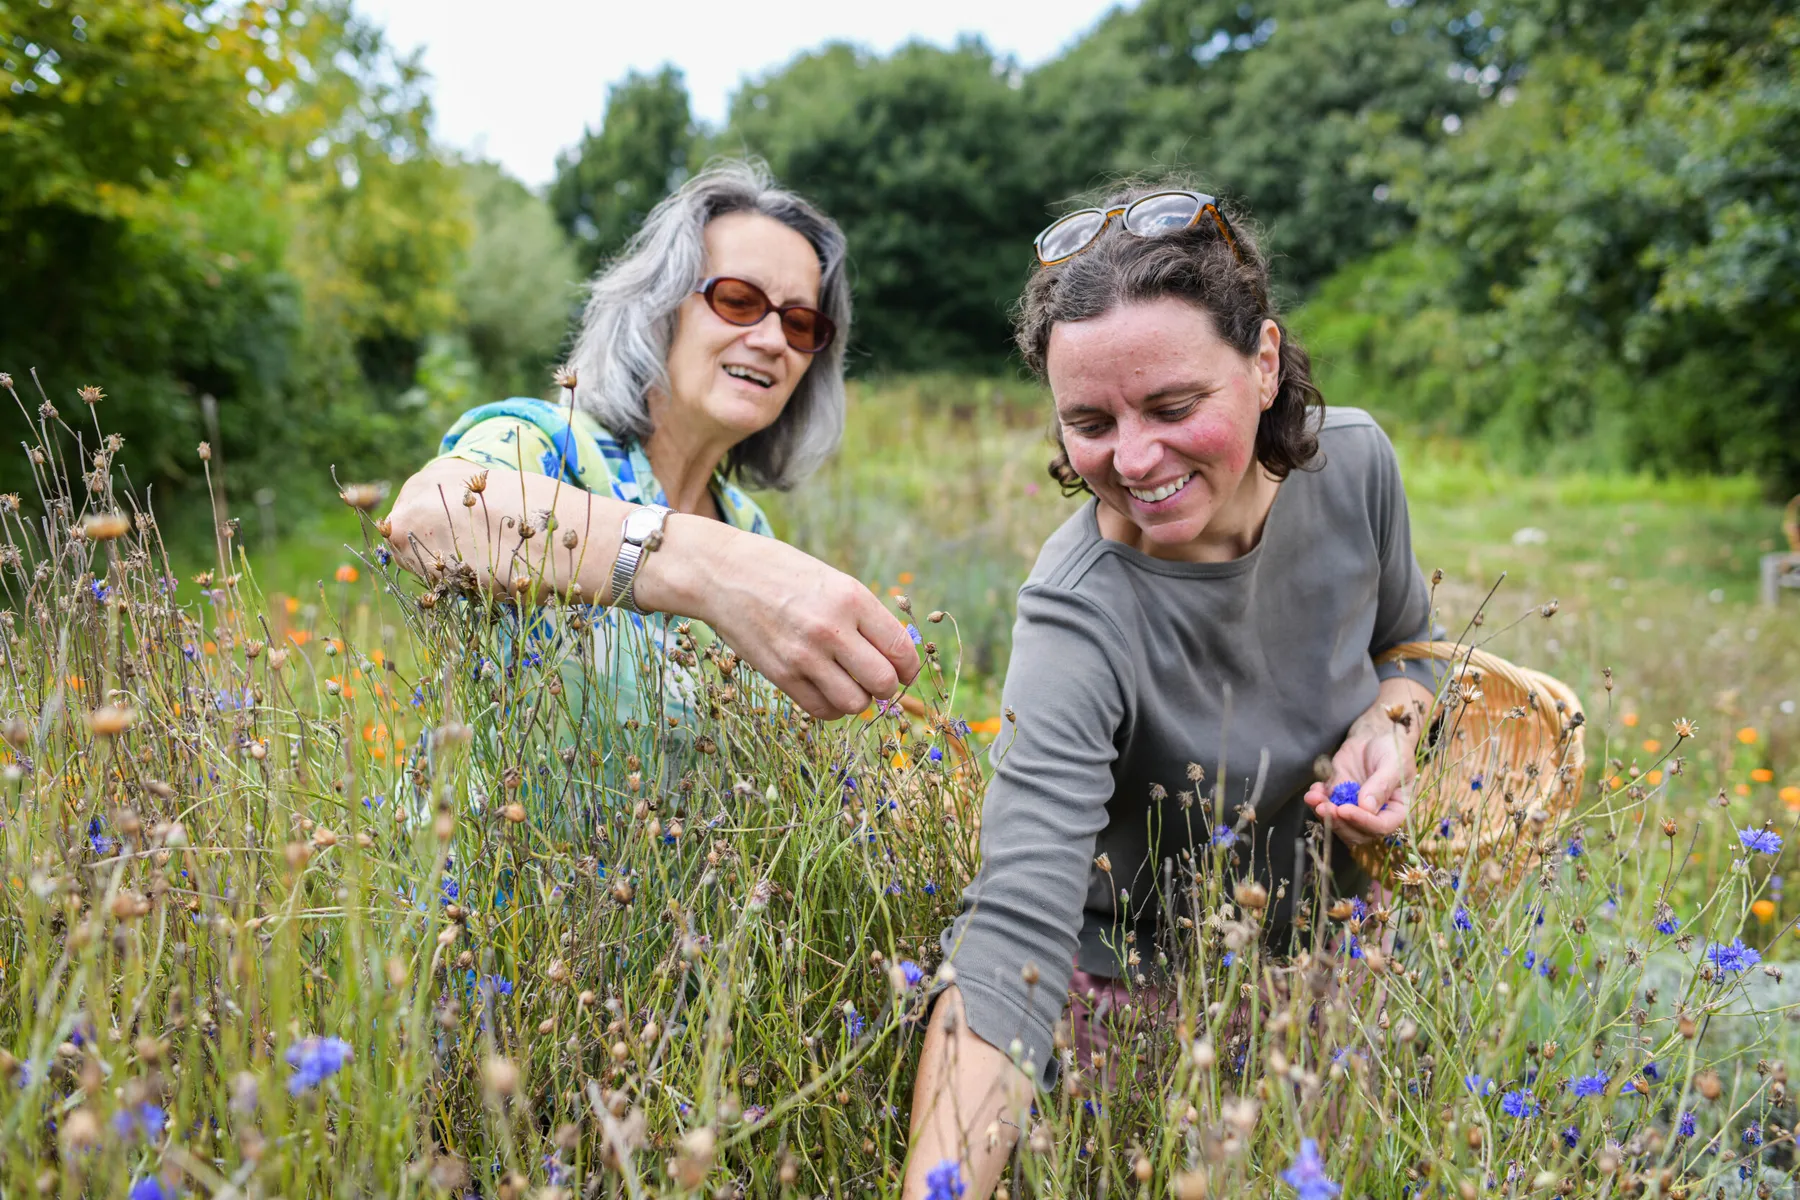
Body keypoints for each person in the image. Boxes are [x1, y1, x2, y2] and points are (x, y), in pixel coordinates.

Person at [902, 182, 1441, 1198]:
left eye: (1174, 406)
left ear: (1266, 362)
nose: (1135, 459)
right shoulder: (1079, 613)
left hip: (1337, 956)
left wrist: (1391, 721)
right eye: (1089, 422)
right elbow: (1016, 920)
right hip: (1141, 998)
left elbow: (1411, 643)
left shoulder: (1356, 464)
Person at [384, 160, 917, 724]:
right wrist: (706, 567)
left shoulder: (746, 524)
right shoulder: (549, 446)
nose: (771, 340)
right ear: (658, 307)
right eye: (738, 301)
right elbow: (424, 519)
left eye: (801, 324)